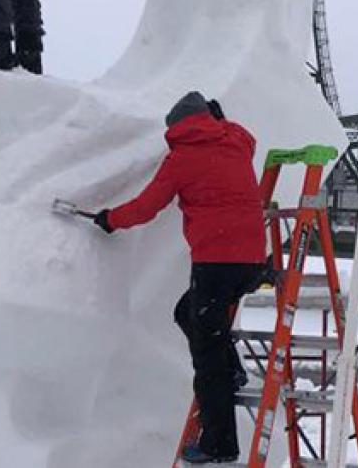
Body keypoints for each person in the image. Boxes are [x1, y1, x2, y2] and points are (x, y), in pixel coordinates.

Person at [92, 92, 266, 465]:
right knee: (188, 313)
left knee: (207, 358)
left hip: (216, 261)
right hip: (252, 259)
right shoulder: (236, 141)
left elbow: (146, 206)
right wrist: (220, 121)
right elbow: (246, 137)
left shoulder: (182, 158)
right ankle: (233, 370)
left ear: (177, 128)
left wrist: (109, 220)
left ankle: (219, 444)